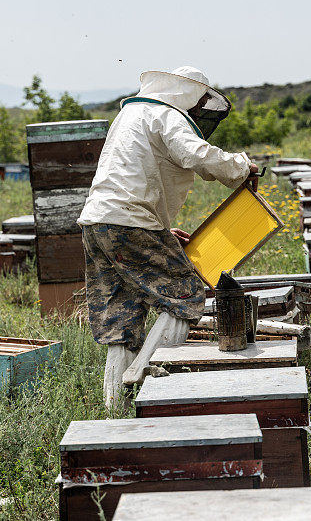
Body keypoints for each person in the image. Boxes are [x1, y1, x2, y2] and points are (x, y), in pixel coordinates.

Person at [77, 66, 258, 409]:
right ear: (188, 95)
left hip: (97, 223)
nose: (200, 111)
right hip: (130, 222)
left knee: (121, 315)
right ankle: (143, 376)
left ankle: (114, 409)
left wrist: (158, 228)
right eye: (201, 103)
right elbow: (196, 153)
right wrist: (240, 167)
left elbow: (132, 174)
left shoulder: (130, 114)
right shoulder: (167, 115)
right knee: (185, 295)